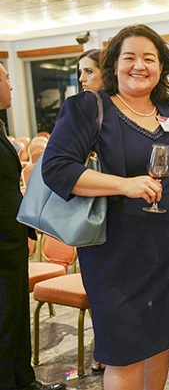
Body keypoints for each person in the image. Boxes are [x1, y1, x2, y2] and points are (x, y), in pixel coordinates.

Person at [41, 25, 169, 390]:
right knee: (125, 350)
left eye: (149, 58)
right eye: (129, 57)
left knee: (160, 339)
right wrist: (123, 185)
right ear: (114, 65)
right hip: (116, 253)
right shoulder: (89, 107)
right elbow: (56, 168)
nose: (139, 66)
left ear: (161, 67)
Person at [0, 64, 66, 390]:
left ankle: (24, 380)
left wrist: (25, 229)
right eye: (6, 79)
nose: (11, 86)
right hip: (2, 244)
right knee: (5, 321)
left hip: (11, 241)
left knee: (15, 316)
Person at [75, 48, 107, 376]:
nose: (82, 79)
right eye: (80, 72)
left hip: (116, 212)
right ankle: (103, 349)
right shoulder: (81, 110)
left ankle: (108, 348)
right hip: (90, 211)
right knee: (97, 286)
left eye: (89, 71)